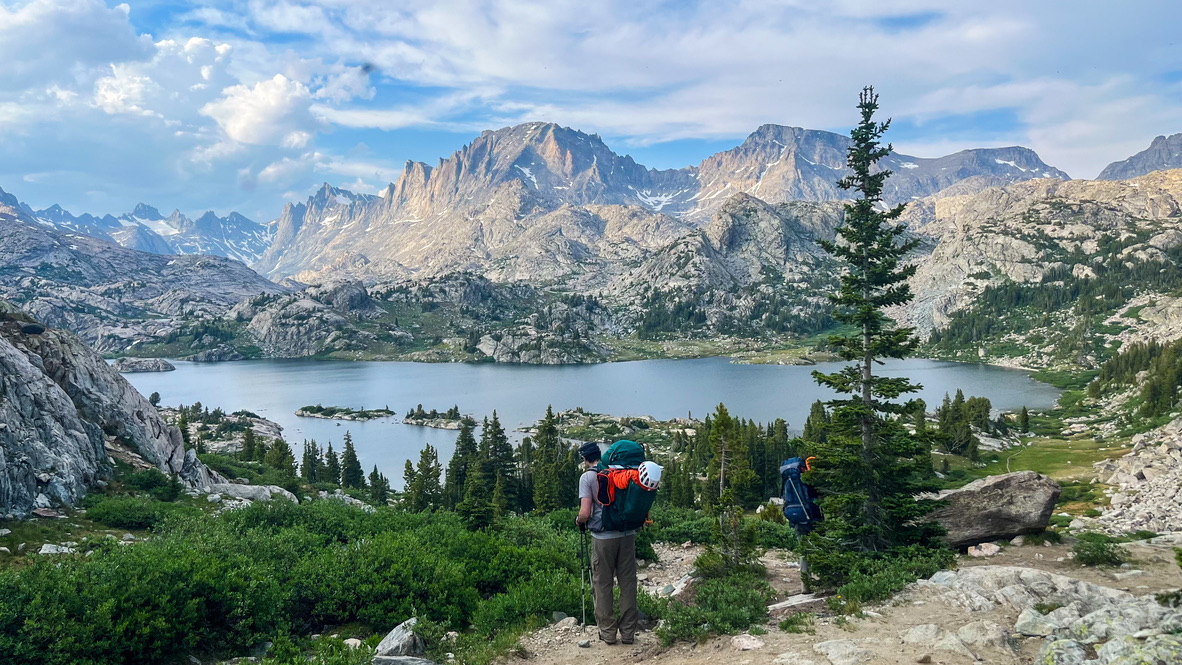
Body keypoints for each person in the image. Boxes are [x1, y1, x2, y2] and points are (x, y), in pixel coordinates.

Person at [575, 441, 638, 645]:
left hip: (603, 538)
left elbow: (585, 513)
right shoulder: (617, 471)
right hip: (627, 534)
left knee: (602, 584)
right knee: (628, 583)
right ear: (599, 454)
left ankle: (609, 633)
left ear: (585, 458)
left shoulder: (587, 477)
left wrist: (579, 521)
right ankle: (628, 633)